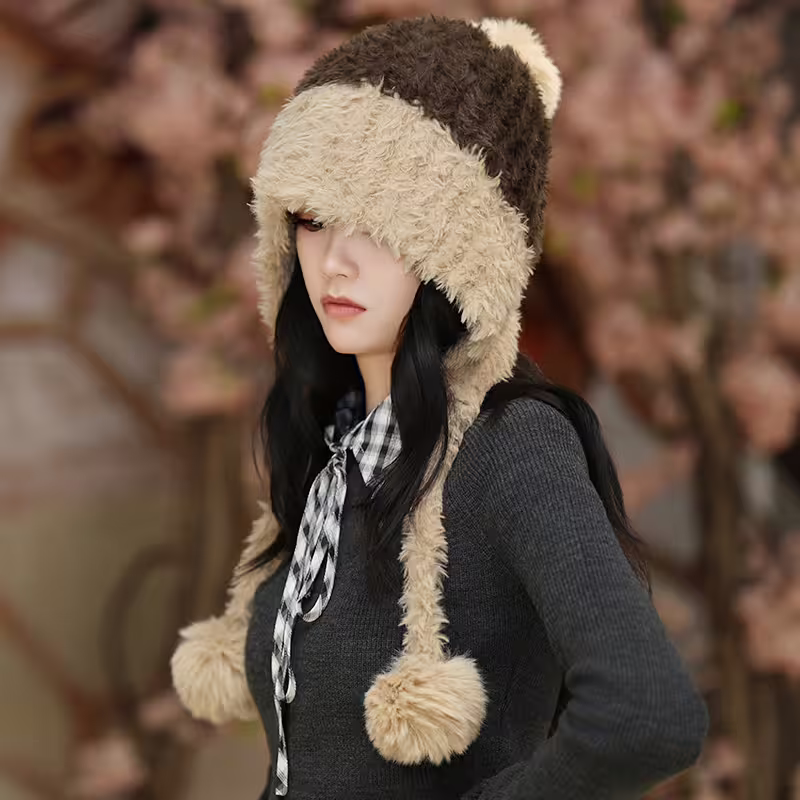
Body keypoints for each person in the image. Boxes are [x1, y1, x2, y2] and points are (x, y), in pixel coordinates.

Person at [171, 14, 709, 799]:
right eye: (313, 219)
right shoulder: (341, 444)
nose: (336, 261)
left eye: (378, 223)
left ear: (459, 249)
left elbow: (648, 715)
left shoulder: (511, 443)